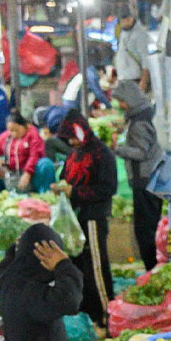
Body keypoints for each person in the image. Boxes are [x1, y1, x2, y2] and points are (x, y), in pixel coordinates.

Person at [48, 114, 117, 323]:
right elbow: (66, 176)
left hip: (93, 217)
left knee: (96, 265)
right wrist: (60, 187)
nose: (71, 142)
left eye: (74, 137)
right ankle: (87, 311)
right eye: (69, 139)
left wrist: (75, 192)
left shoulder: (101, 154)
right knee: (79, 265)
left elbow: (108, 188)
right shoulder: (74, 154)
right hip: (75, 219)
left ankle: (106, 314)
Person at [111, 79, 163, 268]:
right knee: (151, 226)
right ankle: (154, 266)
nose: (120, 105)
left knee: (145, 229)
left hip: (145, 180)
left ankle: (152, 268)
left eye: (121, 101)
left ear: (129, 99)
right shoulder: (145, 114)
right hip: (152, 178)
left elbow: (142, 152)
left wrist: (118, 149)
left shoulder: (140, 122)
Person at [0, 114, 51, 193]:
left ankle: (44, 191)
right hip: (10, 174)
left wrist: (27, 173)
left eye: (16, 130)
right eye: (11, 130)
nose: (14, 133)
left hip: (30, 173)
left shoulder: (33, 135)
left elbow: (35, 155)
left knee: (45, 163)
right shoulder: (7, 136)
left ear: (25, 126)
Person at [115, 13, 152, 91]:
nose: (125, 22)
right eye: (122, 20)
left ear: (132, 19)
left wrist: (144, 82)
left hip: (135, 79)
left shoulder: (140, 34)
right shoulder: (123, 33)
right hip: (124, 79)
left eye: (127, 19)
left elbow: (146, 60)